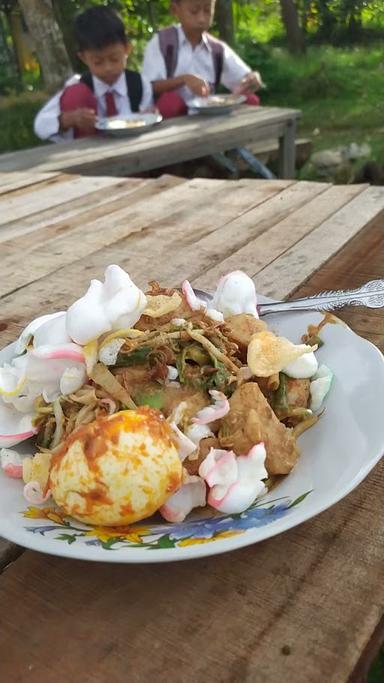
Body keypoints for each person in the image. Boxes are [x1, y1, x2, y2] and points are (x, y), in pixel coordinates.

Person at [34, 6, 153, 142]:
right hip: (88, 153)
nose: (108, 68)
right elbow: (40, 125)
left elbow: (146, 116)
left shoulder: (139, 84)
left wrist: (148, 115)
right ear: (84, 58)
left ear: (127, 49)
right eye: (98, 62)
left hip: (132, 147)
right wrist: (69, 119)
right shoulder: (79, 84)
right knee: (76, 94)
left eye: (114, 59)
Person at [141, 0, 264, 119]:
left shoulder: (217, 48)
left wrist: (252, 79)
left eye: (207, 10)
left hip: (208, 115)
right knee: (170, 102)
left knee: (250, 99)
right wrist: (184, 79)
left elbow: (243, 79)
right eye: (194, 11)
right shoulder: (163, 43)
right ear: (175, 10)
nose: (201, 18)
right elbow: (149, 87)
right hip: (172, 118)